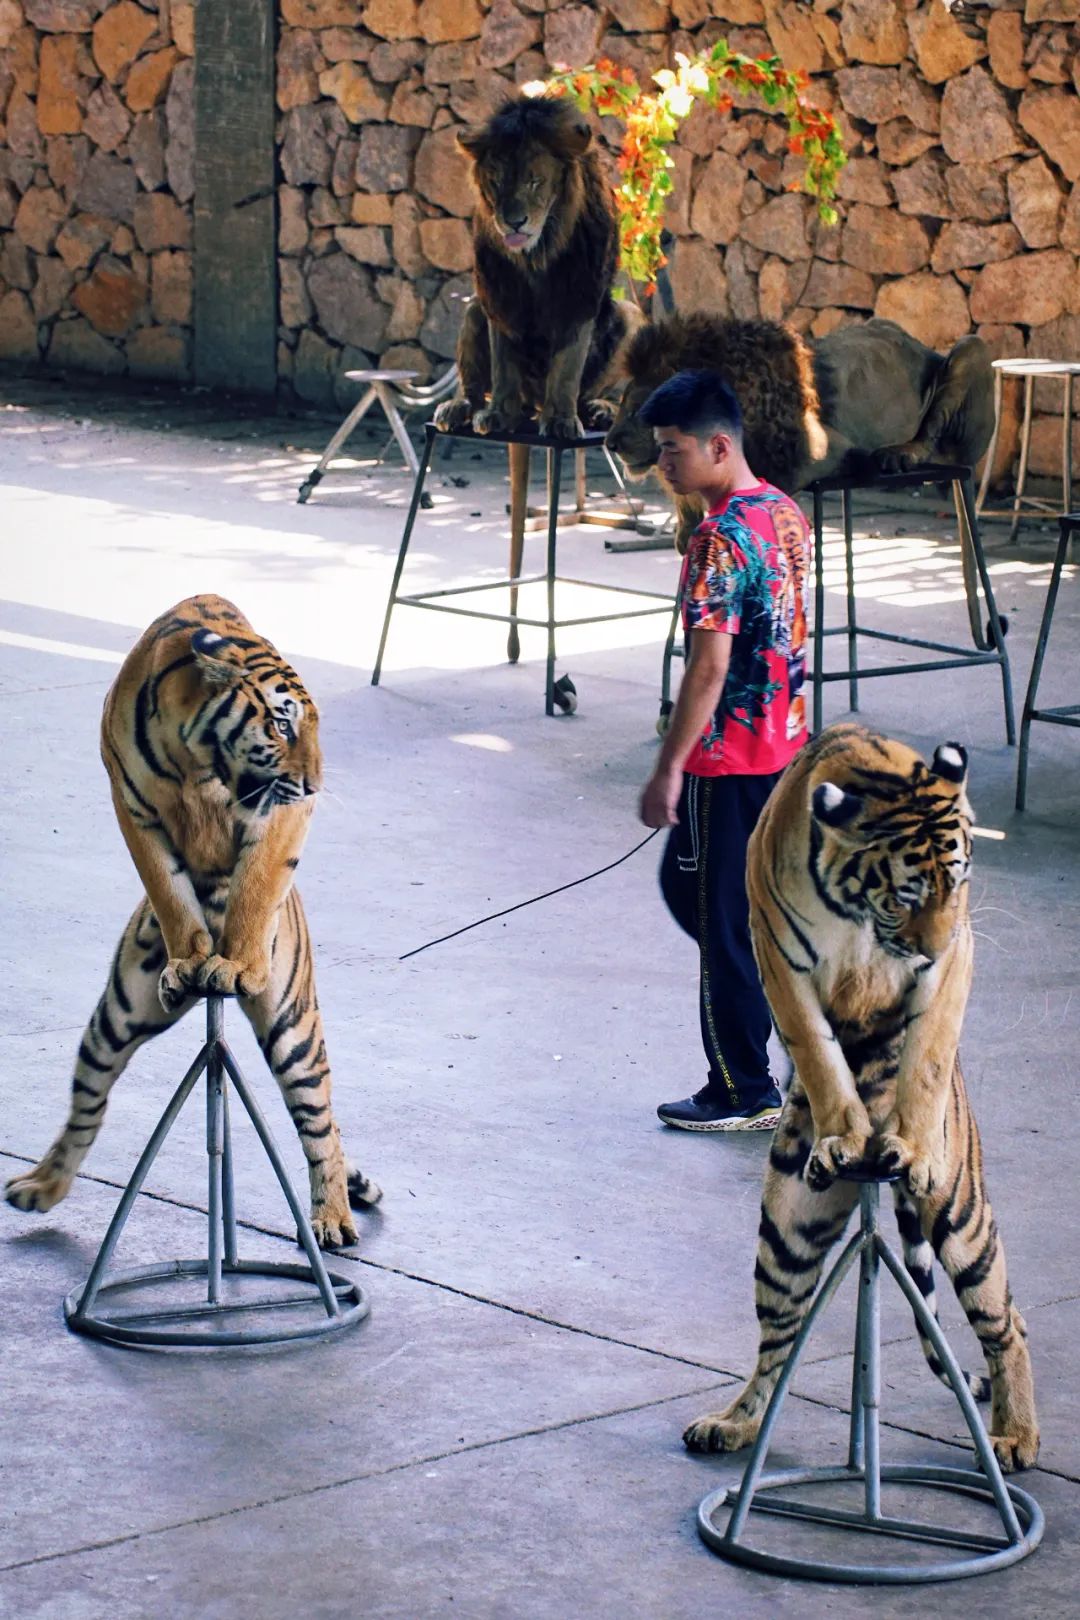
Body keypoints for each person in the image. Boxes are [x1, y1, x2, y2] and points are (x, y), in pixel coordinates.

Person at [637, 370, 810, 1132]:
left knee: (720, 921)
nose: (663, 466)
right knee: (732, 910)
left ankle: (741, 1087)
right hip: (786, 748)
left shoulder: (716, 539)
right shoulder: (784, 513)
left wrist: (668, 766)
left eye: (673, 451)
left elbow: (707, 670)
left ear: (717, 445)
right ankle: (785, 1049)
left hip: (729, 761)